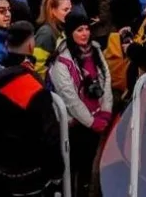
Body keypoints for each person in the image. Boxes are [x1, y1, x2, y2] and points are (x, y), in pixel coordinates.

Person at [0, 20, 66, 197]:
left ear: (6, 43)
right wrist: (56, 172)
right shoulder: (33, 89)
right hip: (28, 171)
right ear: (31, 45)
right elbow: (50, 136)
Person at [48, 11, 113, 197]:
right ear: (70, 33)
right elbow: (70, 98)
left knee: (89, 162)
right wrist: (91, 122)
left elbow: (106, 78)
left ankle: (85, 190)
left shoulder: (95, 49)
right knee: (74, 165)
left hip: (97, 115)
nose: (85, 34)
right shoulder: (61, 62)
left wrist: (106, 112)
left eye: (86, 29)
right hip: (75, 123)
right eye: (79, 30)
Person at [34, 0, 73, 76]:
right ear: (52, 10)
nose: (70, 13)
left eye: (70, 9)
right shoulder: (46, 33)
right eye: (65, 10)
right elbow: (38, 67)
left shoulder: (62, 28)